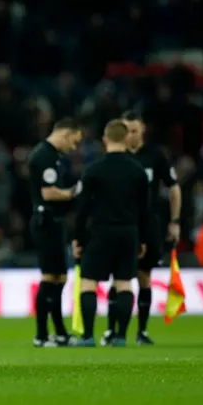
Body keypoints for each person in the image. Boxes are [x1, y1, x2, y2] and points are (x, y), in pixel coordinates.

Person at [101, 111, 181, 346]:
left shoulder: (155, 156)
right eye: (126, 131)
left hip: (148, 224)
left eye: (134, 131)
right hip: (121, 223)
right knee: (119, 277)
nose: (129, 136)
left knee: (144, 276)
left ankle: (142, 331)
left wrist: (174, 221)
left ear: (143, 130)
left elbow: (173, 187)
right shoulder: (117, 157)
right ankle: (111, 330)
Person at [72, 119, 151, 347]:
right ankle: (120, 337)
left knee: (89, 282)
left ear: (105, 140)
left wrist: (78, 237)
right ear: (127, 138)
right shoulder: (138, 171)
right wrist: (143, 238)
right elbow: (145, 210)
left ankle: (87, 336)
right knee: (124, 283)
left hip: (100, 231)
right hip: (128, 231)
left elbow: (82, 209)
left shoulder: (94, 171)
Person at [27, 118, 83, 347]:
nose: (74, 147)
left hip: (54, 221)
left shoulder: (53, 156)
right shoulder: (44, 156)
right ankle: (41, 335)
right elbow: (49, 193)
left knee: (59, 277)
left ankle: (59, 332)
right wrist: (74, 192)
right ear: (65, 134)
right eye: (74, 141)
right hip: (46, 221)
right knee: (50, 277)